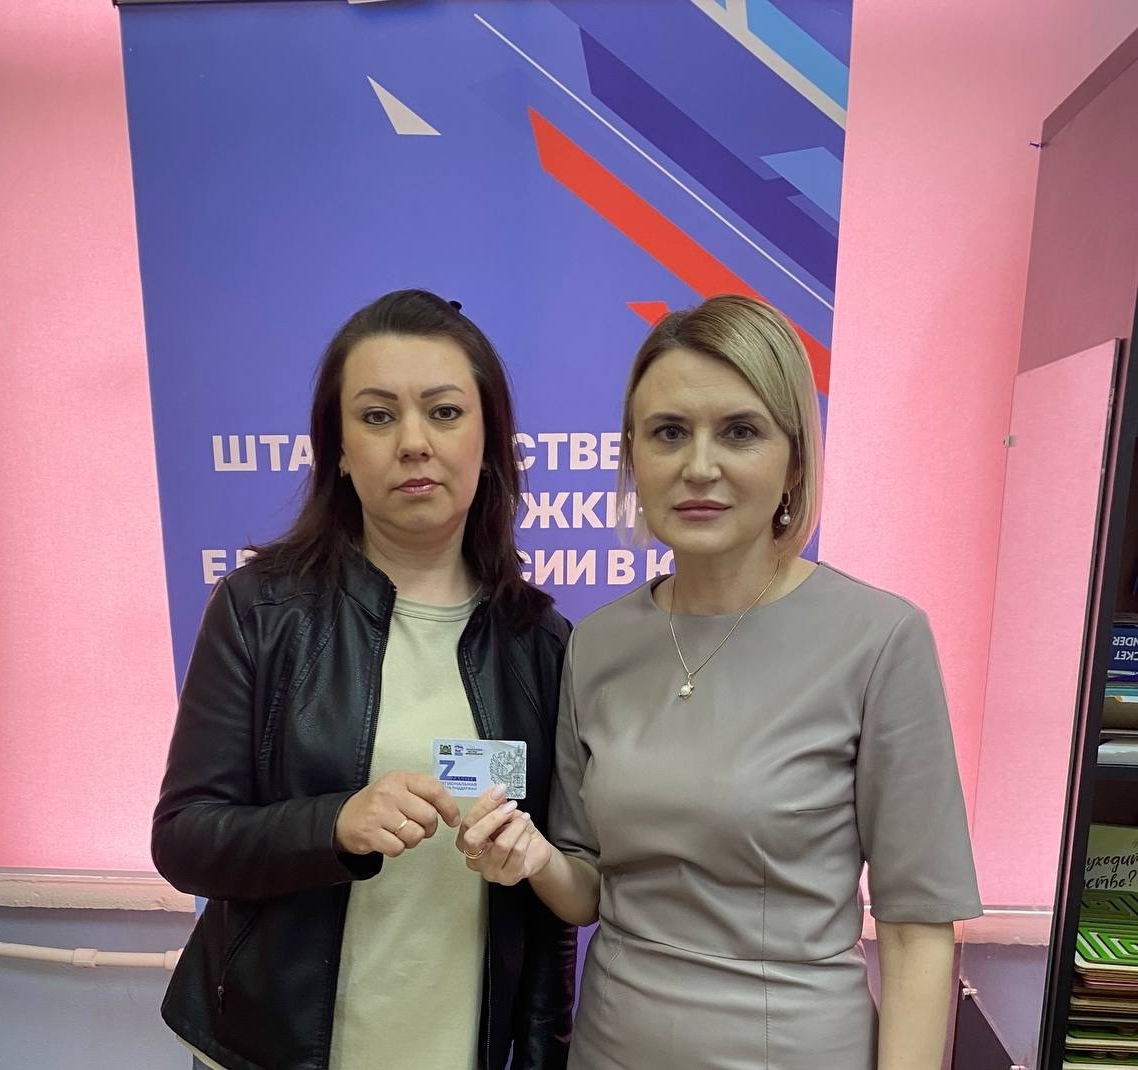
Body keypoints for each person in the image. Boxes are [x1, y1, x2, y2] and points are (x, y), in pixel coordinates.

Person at [458, 294, 982, 1069]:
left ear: (794, 461)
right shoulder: (597, 643)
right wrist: (533, 859)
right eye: (669, 433)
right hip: (611, 1048)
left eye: (739, 431)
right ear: (633, 456)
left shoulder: (879, 640)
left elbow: (916, 929)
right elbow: (588, 885)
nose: (699, 466)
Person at [153, 289, 576, 1070]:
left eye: (444, 412)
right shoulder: (261, 610)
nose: (413, 442)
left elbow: (548, 902)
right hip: (273, 1052)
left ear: (488, 440)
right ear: (340, 450)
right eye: (378, 416)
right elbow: (184, 840)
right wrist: (334, 824)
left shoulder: (540, 646)